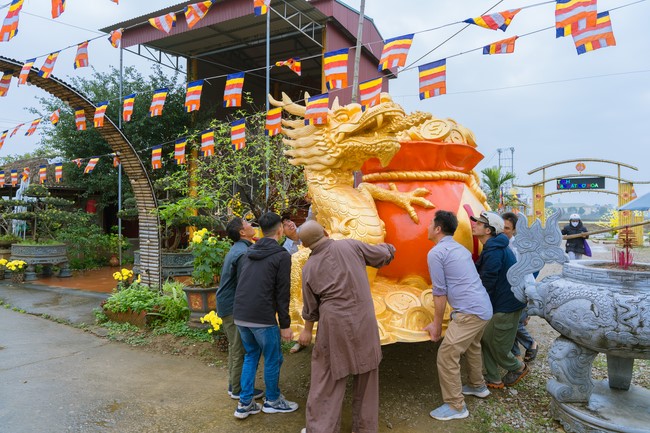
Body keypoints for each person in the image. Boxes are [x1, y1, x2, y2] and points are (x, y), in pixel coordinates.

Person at [296, 220, 395, 433]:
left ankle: (322, 428)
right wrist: (389, 248)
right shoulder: (350, 245)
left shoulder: (309, 267)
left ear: (304, 245)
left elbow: (311, 308)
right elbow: (382, 255)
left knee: (327, 376)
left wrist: (306, 330)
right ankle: (365, 428)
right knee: (367, 373)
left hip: (334, 324)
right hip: (363, 318)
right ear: (325, 231)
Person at [423, 210, 493, 421]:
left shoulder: (436, 253)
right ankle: (477, 385)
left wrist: (436, 324)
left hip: (469, 312)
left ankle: (456, 406)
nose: (426, 228)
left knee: (447, 355)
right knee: (473, 346)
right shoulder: (460, 249)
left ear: (437, 229)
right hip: (483, 308)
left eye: (429, 224)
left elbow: (439, 292)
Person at [233, 212, 298, 419]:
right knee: (272, 358)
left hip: (241, 313)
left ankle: (244, 404)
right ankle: (272, 400)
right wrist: (285, 325)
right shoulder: (281, 256)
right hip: (262, 317)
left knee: (251, 355)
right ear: (280, 229)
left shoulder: (249, 251)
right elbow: (282, 293)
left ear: (261, 229)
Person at [471, 211, 528, 388]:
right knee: (486, 338)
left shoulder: (494, 251)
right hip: (501, 302)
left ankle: (518, 367)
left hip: (507, 305)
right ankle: (493, 377)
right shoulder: (493, 247)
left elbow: (488, 282)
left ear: (488, 230)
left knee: (498, 344)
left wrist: (475, 305)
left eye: (479, 223)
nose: (474, 225)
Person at [216, 218, 264, 401]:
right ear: (242, 233)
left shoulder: (240, 248)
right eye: (248, 224)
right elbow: (246, 283)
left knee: (235, 347)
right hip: (232, 306)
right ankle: (238, 389)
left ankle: (233, 385)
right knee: (240, 349)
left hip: (228, 304)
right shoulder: (243, 253)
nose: (252, 225)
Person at [501, 212, 539, 363]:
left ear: (514, 230)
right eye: (501, 227)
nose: (504, 231)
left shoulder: (519, 248)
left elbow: (530, 272)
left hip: (519, 291)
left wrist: (529, 295)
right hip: (505, 291)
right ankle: (516, 354)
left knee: (514, 324)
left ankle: (531, 343)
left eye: (507, 228)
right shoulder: (498, 244)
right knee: (509, 324)